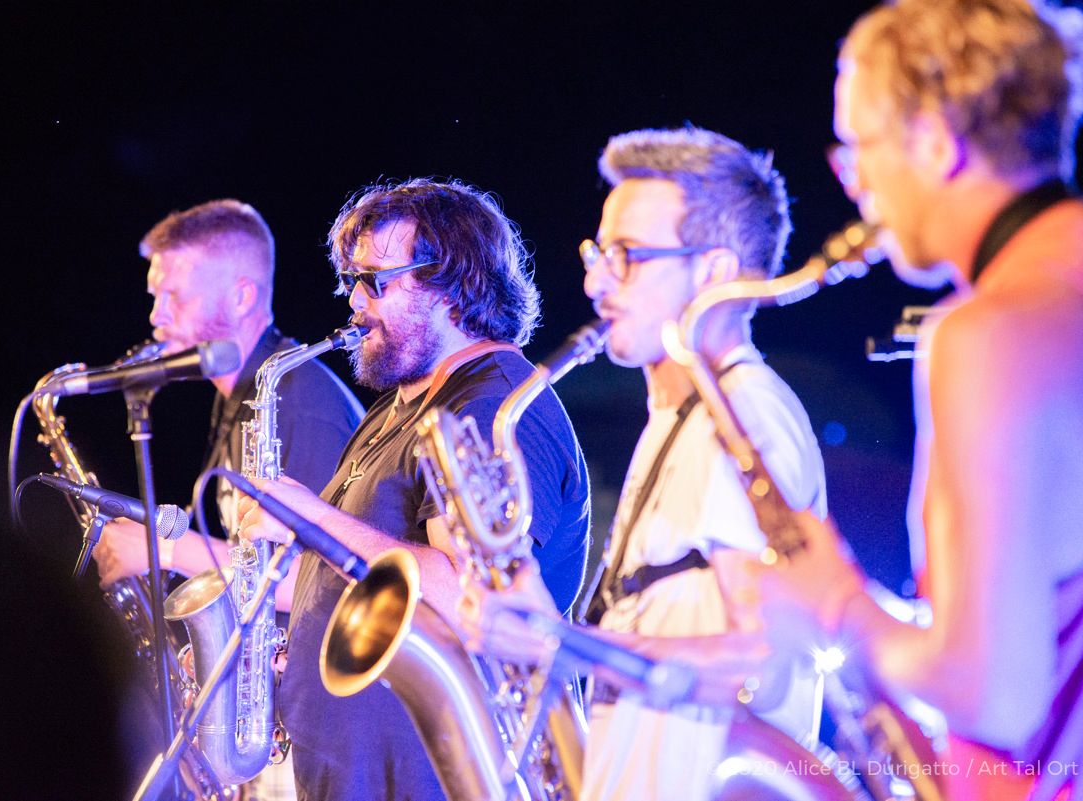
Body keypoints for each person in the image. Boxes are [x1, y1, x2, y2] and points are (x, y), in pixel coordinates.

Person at [759, 2, 1083, 799]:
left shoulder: (988, 332)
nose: (853, 179)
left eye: (860, 145)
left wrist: (838, 605)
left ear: (937, 142)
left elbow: (991, 693)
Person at [462, 126, 828, 800]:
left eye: (627, 255)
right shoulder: (676, 420)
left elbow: (760, 659)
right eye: (598, 252)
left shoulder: (744, 414)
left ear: (714, 272)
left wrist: (556, 644)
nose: (594, 280)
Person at [238, 178, 592, 801]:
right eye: (351, 279)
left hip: (435, 778)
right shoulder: (396, 407)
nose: (354, 301)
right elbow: (367, 576)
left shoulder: (492, 407)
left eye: (375, 281)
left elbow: (466, 594)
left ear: (454, 287)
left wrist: (310, 519)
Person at [93, 199, 364, 800]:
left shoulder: (300, 402)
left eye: (175, 295)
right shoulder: (234, 400)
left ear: (242, 296)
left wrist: (164, 549)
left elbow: (319, 583)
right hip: (265, 717)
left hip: (307, 735)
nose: (156, 315)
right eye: (154, 296)